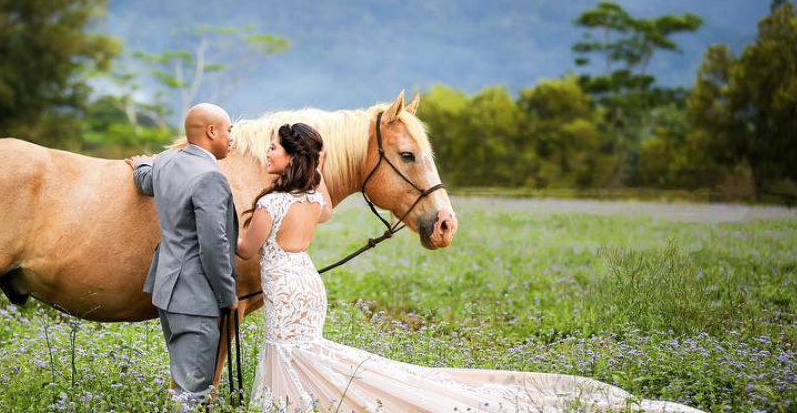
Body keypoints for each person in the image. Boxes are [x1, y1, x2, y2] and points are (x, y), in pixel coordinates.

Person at [236, 122, 706, 413]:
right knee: (307, 351)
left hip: (283, 283)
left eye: (275, 150)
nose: (268, 155)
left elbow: (243, 250)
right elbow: (319, 194)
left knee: (288, 352)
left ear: (290, 157)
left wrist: (218, 222)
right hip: (307, 285)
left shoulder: (272, 203)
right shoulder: (316, 201)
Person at [127, 103, 239, 407]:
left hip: (167, 291)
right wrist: (227, 295)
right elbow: (214, 245)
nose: (232, 138)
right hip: (196, 295)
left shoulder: (163, 162)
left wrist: (140, 165)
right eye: (229, 130)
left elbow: (146, 182)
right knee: (193, 392)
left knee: (183, 381)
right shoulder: (211, 178)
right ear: (211, 131)